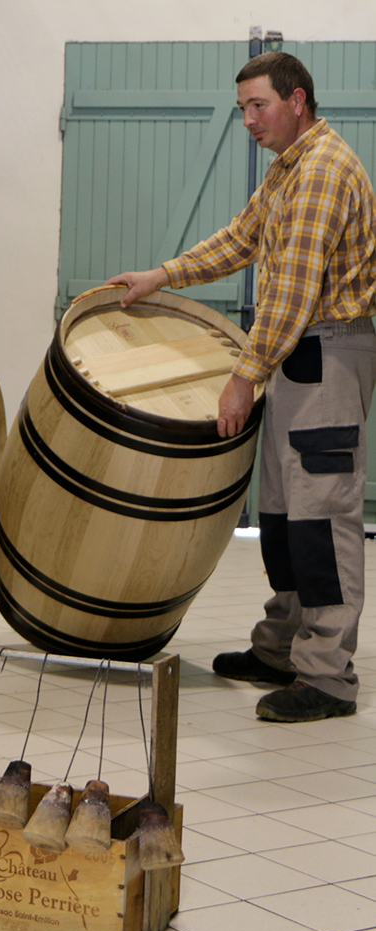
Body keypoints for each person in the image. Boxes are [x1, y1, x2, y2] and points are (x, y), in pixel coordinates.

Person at [110, 51, 376, 723]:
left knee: (321, 519)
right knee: (284, 516)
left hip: (326, 353)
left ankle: (326, 677)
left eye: (258, 106)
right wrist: (161, 275)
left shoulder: (320, 170)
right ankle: (280, 648)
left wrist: (241, 378)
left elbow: (290, 293)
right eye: (241, 110)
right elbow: (240, 239)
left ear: (297, 101)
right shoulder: (287, 170)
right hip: (297, 353)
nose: (248, 121)